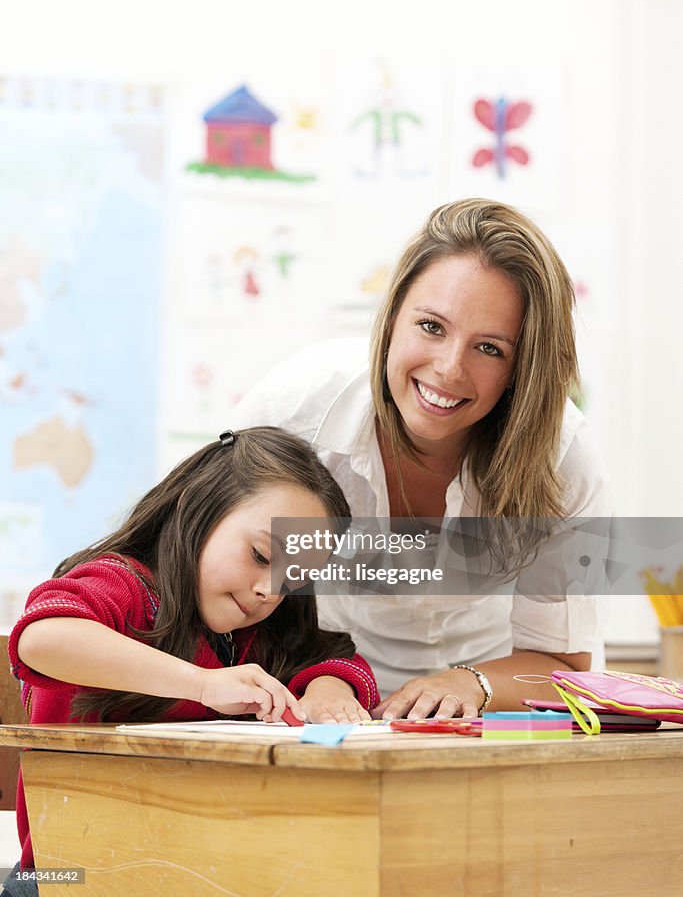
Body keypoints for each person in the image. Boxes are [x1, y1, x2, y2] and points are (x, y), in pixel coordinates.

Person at [232, 198, 612, 721]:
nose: (448, 369)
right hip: (317, 687)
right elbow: (210, 584)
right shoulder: (294, 413)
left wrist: (469, 683)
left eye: (490, 349)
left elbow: (563, 664)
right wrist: (320, 677)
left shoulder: (562, 458)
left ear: (521, 369)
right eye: (432, 326)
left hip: (494, 699)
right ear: (392, 318)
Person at [4, 427, 379, 890]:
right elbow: (42, 638)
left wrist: (328, 689)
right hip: (68, 872)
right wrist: (202, 684)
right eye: (261, 554)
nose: (269, 590)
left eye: (293, 579)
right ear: (195, 509)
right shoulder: (125, 584)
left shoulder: (253, 631)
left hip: (186, 872)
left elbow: (331, 657)